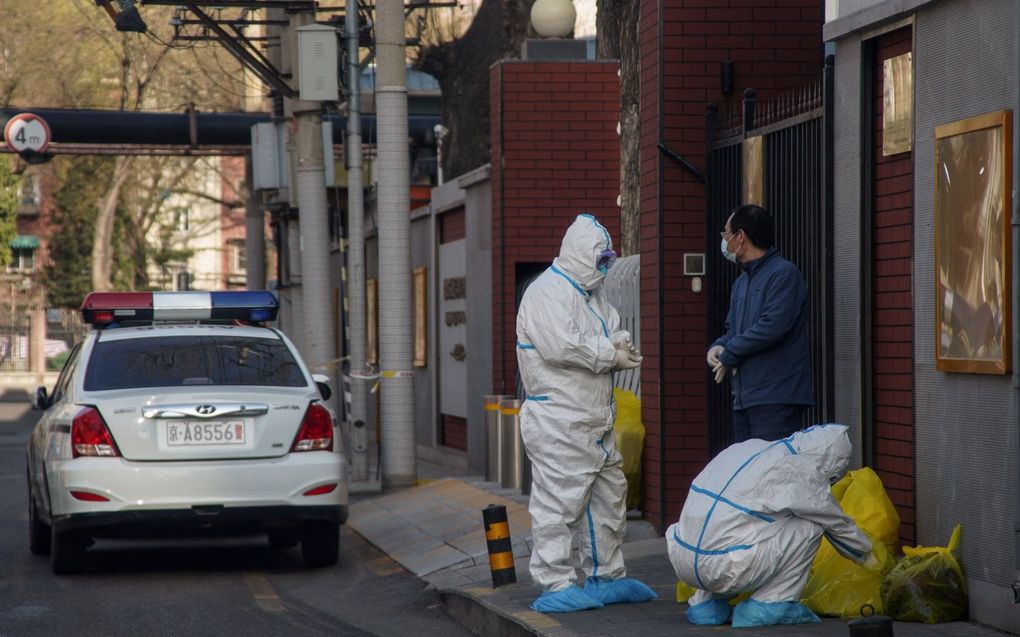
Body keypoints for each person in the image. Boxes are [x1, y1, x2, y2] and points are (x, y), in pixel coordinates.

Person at [515, 214, 656, 613]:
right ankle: (555, 582)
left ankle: (607, 576)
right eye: (602, 258)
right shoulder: (546, 293)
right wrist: (612, 354)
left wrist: (621, 343)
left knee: (609, 500)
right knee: (559, 506)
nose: (606, 266)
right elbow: (564, 347)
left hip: (595, 420)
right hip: (559, 420)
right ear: (580, 255)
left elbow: (608, 328)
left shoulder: (590, 292)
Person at [666, 424, 876, 628]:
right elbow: (837, 524)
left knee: (724, 526)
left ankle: (706, 605)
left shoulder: (745, 448)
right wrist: (871, 558)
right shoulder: (799, 470)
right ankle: (771, 603)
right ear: (829, 461)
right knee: (811, 525)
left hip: (682, 559)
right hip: (726, 568)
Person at [707, 204, 813, 442]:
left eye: (726, 234)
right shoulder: (742, 282)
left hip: (776, 397)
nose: (724, 241)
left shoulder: (784, 274)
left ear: (741, 237)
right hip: (745, 397)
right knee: (751, 474)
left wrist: (729, 352)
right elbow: (733, 331)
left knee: (772, 472)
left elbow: (772, 327)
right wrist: (718, 346)